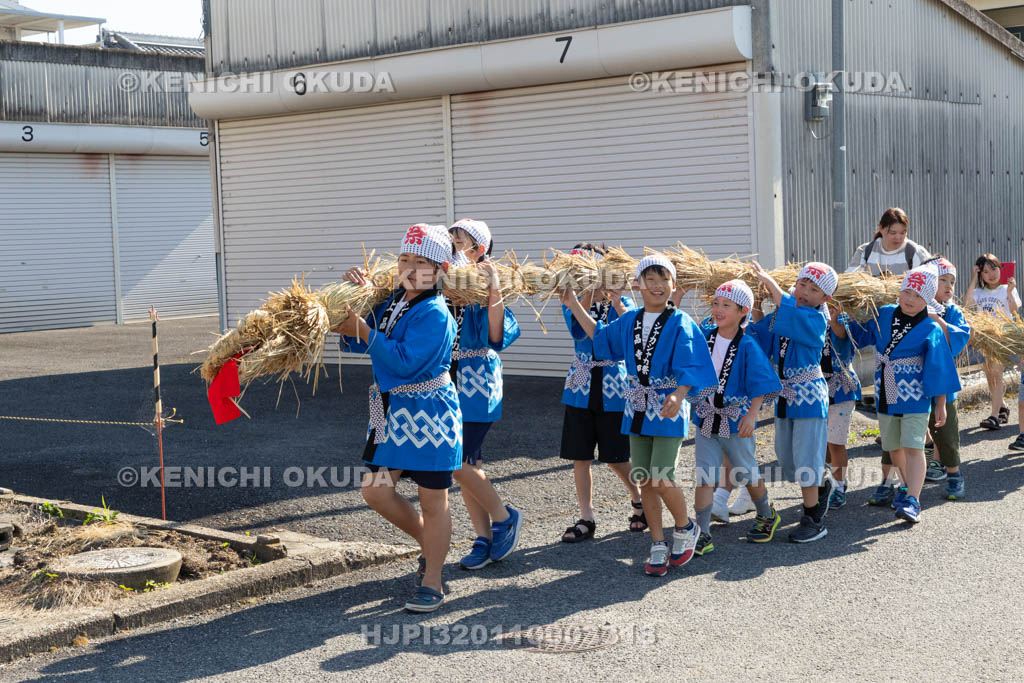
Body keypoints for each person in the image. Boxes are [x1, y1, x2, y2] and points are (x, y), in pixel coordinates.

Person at [560, 253, 718, 576]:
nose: (657, 286)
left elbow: (692, 363)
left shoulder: (680, 322)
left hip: (667, 406)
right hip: (636, 406)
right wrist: (573, 304)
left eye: (664, 279)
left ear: (673, 284)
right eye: (650, 279)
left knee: (661, 475)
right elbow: (600, 339)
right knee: (644, 478)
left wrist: (679, 394)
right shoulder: (630, 320)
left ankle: (686, 526)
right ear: (638, 284)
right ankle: (657, 542)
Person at [337, 223, 461, 612]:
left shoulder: (436, 313)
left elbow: (405, 362)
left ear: (440, 270)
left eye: (421, 262)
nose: (409, 267)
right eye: (404, 258)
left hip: (430, 414)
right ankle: (431, 544)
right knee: (375, 490)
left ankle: (433, 579)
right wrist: (354, 299)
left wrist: (365, 331)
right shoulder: (392, 301)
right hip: (390, 412)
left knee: (433, 500)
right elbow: (359, 341)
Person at [850, 267, 961, 523]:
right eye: (907, 292)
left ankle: (913, 499)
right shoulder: (885, 313)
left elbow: (939, 367)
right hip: (885, 392)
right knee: (893, 446)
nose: (910, 299)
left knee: (913, 446)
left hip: (915, 396)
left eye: (918, 296)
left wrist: (941, 404)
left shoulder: (931, 327)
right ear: (899, 291)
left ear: (928, 300)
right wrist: (841, 319)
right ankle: (904, 486)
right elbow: (860, 334)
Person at [445, 219, 524, 569]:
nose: (452, 246)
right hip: (446, 383)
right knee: (470, 466)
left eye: (458, 241)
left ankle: (504, 518)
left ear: (478, 249)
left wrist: (493, 289)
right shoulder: (445, 284)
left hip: (476, 384)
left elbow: (496, 336)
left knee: (457, 463)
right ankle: (483, 538)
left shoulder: (484, 283)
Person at [557, 243, 644, 543]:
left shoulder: (621, 299)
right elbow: (578, 332)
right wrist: (583, 295)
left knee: (616, 457)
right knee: (579, 456)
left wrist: (616, 299)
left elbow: (630, 332)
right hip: (579, 384)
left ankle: (638, 498)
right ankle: (587, 517)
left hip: (613, 386)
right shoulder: (571, 298)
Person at [692, 280, 783, 553]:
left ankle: (766, 514)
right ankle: (702, 532)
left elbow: (761, 381)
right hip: (706, 418)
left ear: (744, 311)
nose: (718, 309)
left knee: (746, 471)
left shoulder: (747, 345)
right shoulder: (705, 337)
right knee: (705, 475)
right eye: (716, 303)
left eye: (726, 305)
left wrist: (752, 415)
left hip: (736, 420)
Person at [749, 261, 837, 543]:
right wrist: (756, 303)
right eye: (802, 285)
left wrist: (770, 284)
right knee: (787, 459)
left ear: (825, 298)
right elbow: (759, 337)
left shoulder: (816, 320)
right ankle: (821, 486)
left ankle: (813, 520)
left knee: (806, 460)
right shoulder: (785, 313)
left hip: (809, 397)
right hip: (786, 397)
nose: (805, 292)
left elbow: (790, 312)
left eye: (814, 290)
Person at [920, 257, 971, 499]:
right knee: (916, 426)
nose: (949, 286)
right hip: (914, 381)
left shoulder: (951, 312)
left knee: (947, 430)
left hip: (943, 381)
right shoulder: (915, 306)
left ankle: (954, 474)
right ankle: (906, 479)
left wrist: (937, 320)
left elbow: (958, 340)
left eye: (952, 281)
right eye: (942, 280)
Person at [964, 253, 1019, 431]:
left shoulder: (1007, 288)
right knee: (990, 375)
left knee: (996, 374)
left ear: (1000, 268)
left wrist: (1010, 292)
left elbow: (1014, 311)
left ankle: (994, 416)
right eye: (985, 272)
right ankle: (1002, 407)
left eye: (994, 269)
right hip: (987, 339)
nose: (991, 274)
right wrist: (973, 278)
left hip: (1004, 338)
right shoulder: (979, 292)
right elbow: (967, 304)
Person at [821, 304, 862, 509]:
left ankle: (838, 487)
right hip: (815, 388)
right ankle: (829, 480)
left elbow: (843, 336)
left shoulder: (843, 318)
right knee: (821, 444)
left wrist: (834, 319)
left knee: (836, 442)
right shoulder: (807, 316)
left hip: (841, 388)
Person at [845, 207, 932, 276]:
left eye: (903, 233)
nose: (898, 237)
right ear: (881, 228)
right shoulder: (864, 251)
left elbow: (930, 279)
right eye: (892, 233)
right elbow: (852, 279)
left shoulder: (915, 252)